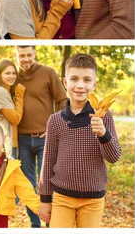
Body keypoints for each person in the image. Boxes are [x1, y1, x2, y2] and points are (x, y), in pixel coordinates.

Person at [39, 53, 121, 227]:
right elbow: (47, 162)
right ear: (65, 82)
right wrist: (45, 199)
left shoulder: (104, 117)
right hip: (62, 197)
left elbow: (114, 157)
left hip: (92, 199)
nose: (80, 85)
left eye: (87, 80)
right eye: (74, 79)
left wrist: (103, 134)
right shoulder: (55, 120)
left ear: (94, 84)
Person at [15, 46, 67, 228]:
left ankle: (51, 224)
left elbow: (62, 100)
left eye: (29, 54)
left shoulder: (48, 73)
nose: (26, 59)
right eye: (22, 55)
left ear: (34, 53)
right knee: (29, 186)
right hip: (22, 139)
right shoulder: (13, 76)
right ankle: (35, 225)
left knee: (47, 183)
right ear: (16, 55)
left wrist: (54, 126)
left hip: (46, 138)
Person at [0, 59, 25, 156]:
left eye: (14, 73)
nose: (12, 76)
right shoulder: (0, 91)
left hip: (6, 142)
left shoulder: (1, 91)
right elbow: (15, 119)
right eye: (7, 73)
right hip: (7, 143)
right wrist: (19, 95)